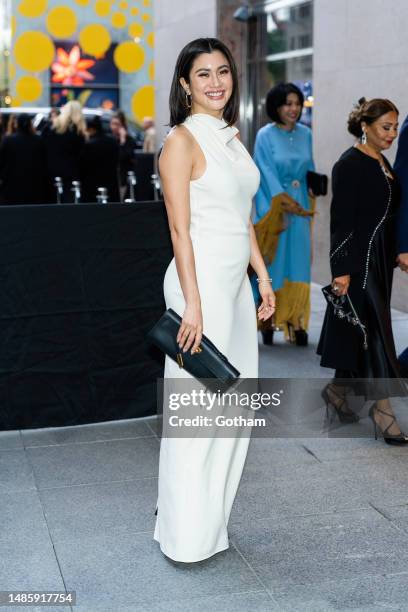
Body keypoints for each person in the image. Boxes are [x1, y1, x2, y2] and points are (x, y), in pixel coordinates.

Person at [154, 37, 275, 563]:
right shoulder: (182, 141)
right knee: (198, 418)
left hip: (233, 287)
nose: (216, 82)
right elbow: (179, 231)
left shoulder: (230, 135)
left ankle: (209, 525)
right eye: (203, 74)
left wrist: (263, 279)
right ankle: (185, 537)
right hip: (197, 287)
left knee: (233, 413)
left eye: (223, 72)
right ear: (185, 83)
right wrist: (194, 305)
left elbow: (242, 217)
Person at [317, 97, 408, 445]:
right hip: (359, 267)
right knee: (380, 336)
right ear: (365, 126)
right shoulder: (349, 164)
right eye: (386, 127)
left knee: (362, 333)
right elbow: (341, 223)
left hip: (380, 263)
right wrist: (342, 270)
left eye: (395, 126)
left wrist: (399, 251)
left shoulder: (381, 161)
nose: (392, 133)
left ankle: (338, 393)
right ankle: (382, 411)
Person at [252, 83, 315, 346]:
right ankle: (269, 320)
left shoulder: (306, 133)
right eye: (288, 103)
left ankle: (295, 321)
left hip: (300, 207)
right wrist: (279, 202)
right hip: (274, 206)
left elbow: (310, 166)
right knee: (273, 264)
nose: (294, 109)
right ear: (276, 106)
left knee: (299, 263)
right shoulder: (265, 135)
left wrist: (315, 184)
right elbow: (263, 170)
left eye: (297, 103)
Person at [42, 100, 86, 203]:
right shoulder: (77, 132)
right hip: (70, 177)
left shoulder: (51, 127)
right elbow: (80, 157)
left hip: (50, 175)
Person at [0, 113, 46, 204]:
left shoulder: (8, 140)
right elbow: (43, 162)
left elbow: (2, 161)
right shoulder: (38, 141)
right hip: (34, 184)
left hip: (12, 185)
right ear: (30, 124)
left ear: (17, 124)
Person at [80, 116, 120, 203]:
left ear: (90, 129)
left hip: (92, 187)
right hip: (111, 185)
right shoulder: (113, 142)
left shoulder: (89, 145)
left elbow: (83, 166)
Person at [109, 112, 136, 201]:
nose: (114, 127)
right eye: (112, 124)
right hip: (111, 178)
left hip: (123, 179)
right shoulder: (109, 140)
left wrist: (123, 140)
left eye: (117, 124)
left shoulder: (129, 140)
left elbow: (123, 156)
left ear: (123, 126)